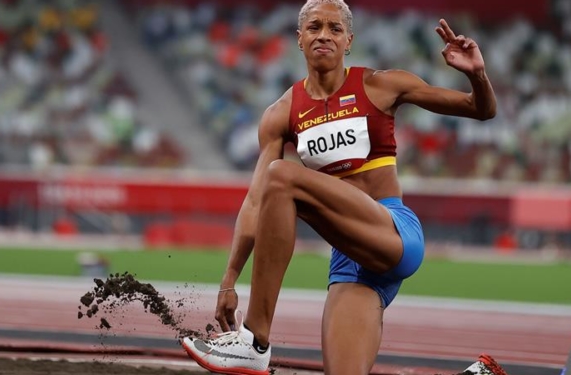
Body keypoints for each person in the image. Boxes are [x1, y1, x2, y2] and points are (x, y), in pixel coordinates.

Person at [181, 1, 508, 374]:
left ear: (348, 40)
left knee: (280, 175)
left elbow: (481, 110)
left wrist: (478, 75)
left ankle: (254, 342)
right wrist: (228, 279)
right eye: (315, 27)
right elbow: (256, 201)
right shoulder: (281, 113)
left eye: (335, 29)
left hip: (393, 233)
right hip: (349, 260)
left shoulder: (382, 85)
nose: (324, 35)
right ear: (299, 38)